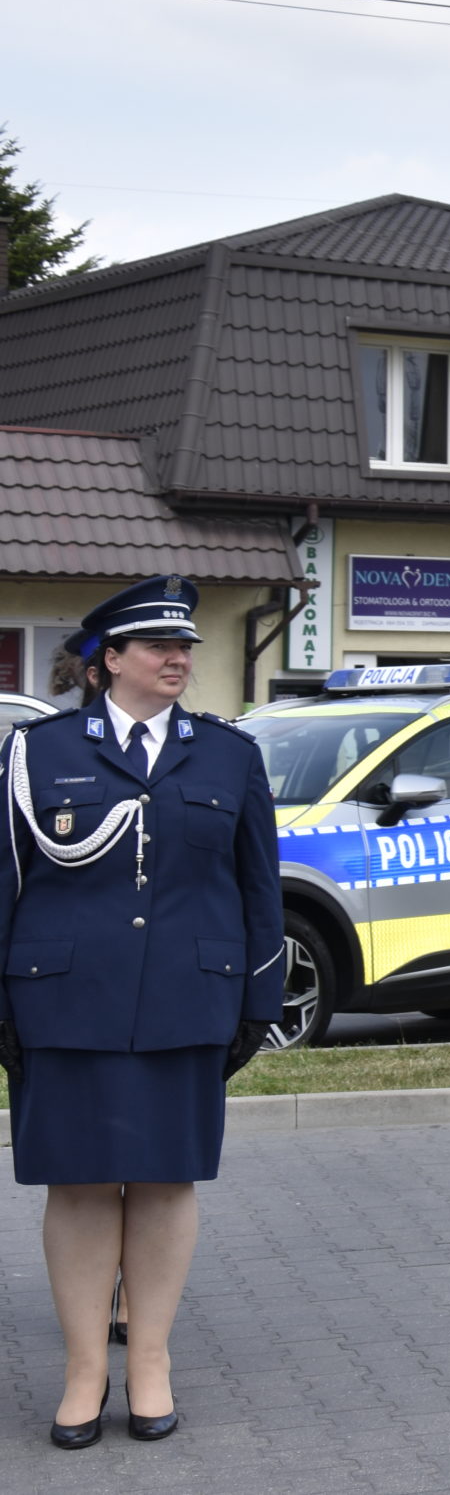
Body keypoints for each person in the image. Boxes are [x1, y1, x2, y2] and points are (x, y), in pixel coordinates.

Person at [0, 577, 282, 1449]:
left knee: (164, 1181)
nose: (177, 658)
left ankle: (149, 1358)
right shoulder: (36, 753)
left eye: (186, 646)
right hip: (66, 1002)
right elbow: (6, 882)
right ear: (107, 660)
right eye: (158, 645)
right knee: (80, 1185)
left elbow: (258, 891)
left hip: (185, 1002)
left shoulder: (228, 756)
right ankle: (86, 1368)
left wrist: (255, 1000)